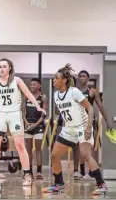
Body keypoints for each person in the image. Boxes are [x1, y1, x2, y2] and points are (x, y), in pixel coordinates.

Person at [43, 64, 107, 195]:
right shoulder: (56, 95)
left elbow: (90, 109)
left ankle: (101, 184)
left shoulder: (74, 92)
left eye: (56, 78)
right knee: (54, 155)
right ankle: (58, 184)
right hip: (69, 128)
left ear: (64, 80)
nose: (54, 80)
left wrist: (89, 127)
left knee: (86, 155)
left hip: (83, 125)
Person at [0, 58, 45, 186]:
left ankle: (27, 173)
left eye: (4, 66)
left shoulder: (17, 80)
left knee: (20, 145)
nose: (2, 69)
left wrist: (37, 106)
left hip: (14, 114)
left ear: (9, 68)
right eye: (0, 67)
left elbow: (27, 93)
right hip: (0, 115)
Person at [73, 70, 112, 179]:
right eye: (80, 76)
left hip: (88, 123)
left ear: (88, 78)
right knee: (77, 147)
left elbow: (101, 107)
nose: (81, 78)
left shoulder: (92, 91)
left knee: (89, 147)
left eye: (84, 76)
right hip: (76, 123)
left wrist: (107, 122)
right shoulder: (74, 91)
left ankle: (91, 171)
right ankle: (78, 171)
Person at [23, 78, 47, 180]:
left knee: (38, 149)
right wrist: (27, 123)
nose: (32, 86)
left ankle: (39, 171)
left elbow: (44, 114)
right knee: (28, 150)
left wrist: (35, 125)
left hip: (38, 126)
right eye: (31, 85)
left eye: (34, 85)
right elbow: (22, 112)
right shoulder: (26, 96)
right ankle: (29, 171)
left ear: (39, 86)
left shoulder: (43, 97)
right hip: (28, 126)